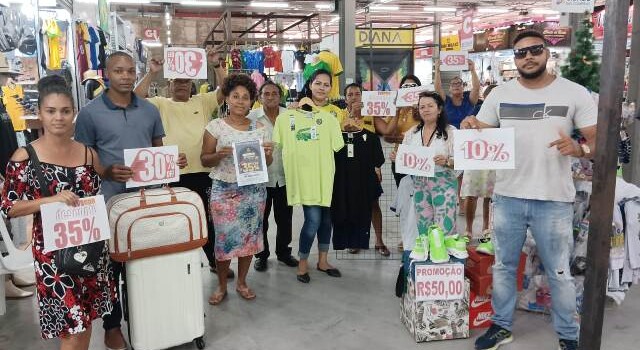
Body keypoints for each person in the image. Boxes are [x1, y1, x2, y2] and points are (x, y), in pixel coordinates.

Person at [462, 30, 597, 350]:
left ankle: (568, 335)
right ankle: (501, 326)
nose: (528, 57)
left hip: (554, 198)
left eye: (535, 50)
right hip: (508, 195)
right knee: (504, 266)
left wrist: (579, 149)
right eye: (521, 53)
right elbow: (482, 132)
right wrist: (471, 126)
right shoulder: (499, 95)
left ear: (547, 53)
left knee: (560, 272)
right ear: (514, 59)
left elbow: (596, 140)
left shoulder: (574, 93)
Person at [1, 75, 116, 350]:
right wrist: (50, 200)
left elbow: (102, 180)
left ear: (74, 113)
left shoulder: (88, 154)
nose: (59, 118)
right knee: (71, 327)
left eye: (65, 111)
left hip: (91, 247)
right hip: (54, 257)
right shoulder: (25, 156)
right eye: (51, 111)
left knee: (85, 320)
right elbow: (10, 206)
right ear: (40, 113)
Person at [74, 51, 167, 350]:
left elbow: (157, 149)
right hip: (109, 202)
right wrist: (106, 170)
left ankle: (148, 318)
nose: (125, 76)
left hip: (146, 201)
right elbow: (83, 158)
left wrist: (170, 161)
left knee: (146, 263)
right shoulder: (89, 114)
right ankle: (112, 325)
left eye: (130, 71)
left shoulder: (150, 111)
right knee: (111, 267)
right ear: (107, 74)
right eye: (118, 71)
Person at [133, 51, 236, 279]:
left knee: (210, 220)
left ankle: (215, 262)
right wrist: (152, 72)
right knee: (176, 222)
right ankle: (180, 266)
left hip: (203, 172)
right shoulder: (160, 104)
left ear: (192, 83)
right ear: (169, 84)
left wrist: (217, 66)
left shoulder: (202, 100)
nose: (181, 85)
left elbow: (227, 89)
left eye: (186, 81)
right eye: (177, 81)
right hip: (171, 174)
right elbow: (136, 96)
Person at [200, 73, 273, 305]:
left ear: (252, 101)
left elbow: (266, 164)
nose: (240, 101)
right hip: (224, 189)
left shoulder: (260, 128)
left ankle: (242, 282)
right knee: (224, 240)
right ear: (227, 99)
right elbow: (204, 159)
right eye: (235, 96)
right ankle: (222, 285)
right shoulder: (215, 127)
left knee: (249, 239)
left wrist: (268, 156)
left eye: (246, 97)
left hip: (253, 190)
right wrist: (218, 154)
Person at [274, 69, 344, 283]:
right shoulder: (288, 117)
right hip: (305, 180)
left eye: (326, 84)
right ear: (310, 85)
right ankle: (303, 262)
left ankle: (323, 261)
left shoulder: (333, 115)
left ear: (331, 88)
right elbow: (280, 144)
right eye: (318, 83)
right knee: (312, 221)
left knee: (327, 220)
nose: (322, 88)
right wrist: (301, 107)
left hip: (327, 177)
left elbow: (338, 143)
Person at [391, 91, 467, 262]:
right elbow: (406, 159)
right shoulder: (412, 133)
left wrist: (448, 161)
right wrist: (398, 158)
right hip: (420, 184)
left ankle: (444, 261)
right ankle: (427, 258)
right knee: (423, 223)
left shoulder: (451, 132)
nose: (425, 110)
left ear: (439, 109)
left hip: (444, 183)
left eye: (430, 106)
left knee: (444, 224)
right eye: (422, 106)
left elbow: (462, 160)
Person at [248, 81, 298, 272]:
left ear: (280, 96)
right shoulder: (251, 118)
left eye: (274, 94)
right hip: (260, 180)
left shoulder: (290, 116)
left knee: (285, 219)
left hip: (286, 177)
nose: (270, 97)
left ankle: (284, 252)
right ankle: (261, 255)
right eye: (266, 93)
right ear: (260, 97)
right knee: (261, 221)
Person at [339, 83, 389, 256]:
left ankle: (379, 241)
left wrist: (396, 111)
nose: (354, 97)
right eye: (350, 94)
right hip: (349, 168)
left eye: (357, 94)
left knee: (373, 203)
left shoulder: (371, 114)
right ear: (345, 99)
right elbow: (340, 136)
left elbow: (387, 132)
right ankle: (355, 241)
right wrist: (352, 115)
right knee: (352, 204)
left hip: (370, 167)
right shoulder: (340, 116)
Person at [460, 84, 497, 243]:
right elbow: (465, 125)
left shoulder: (505, 113)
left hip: (496, 157)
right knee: (471, 194)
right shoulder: (477, 110)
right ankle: (468, 229)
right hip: (475, 157)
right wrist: (465, 124)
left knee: (491, 196)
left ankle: (486, 228)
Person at [434, 59, 480, 129]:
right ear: (449, 89)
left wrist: (473, 70)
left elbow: (476, 88)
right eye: (453, 84)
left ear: (463, 87)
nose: (456, 85)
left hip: (468, 135)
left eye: (459, 83)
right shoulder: (445, 100)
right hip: (450, 135)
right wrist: (437, 71)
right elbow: (438, 88)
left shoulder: (470, 100)